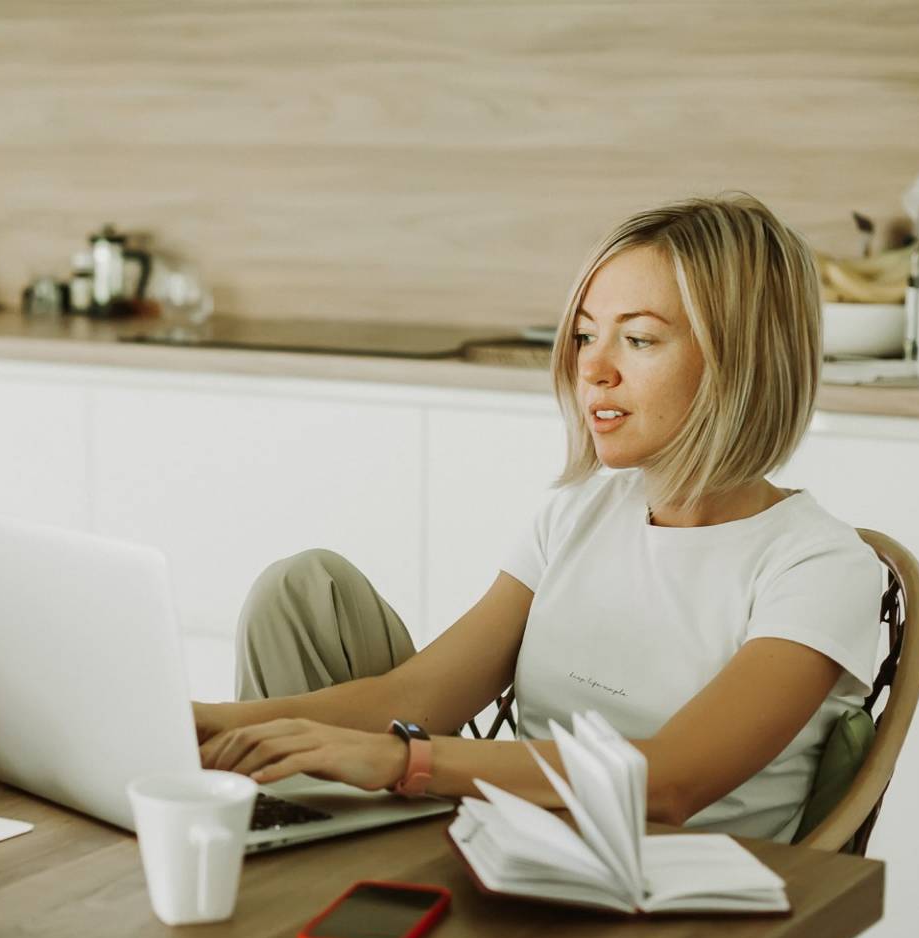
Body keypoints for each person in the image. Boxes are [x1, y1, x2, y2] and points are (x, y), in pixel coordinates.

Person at [196, 194, 882, 841]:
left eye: (639, 340)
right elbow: (415, 695)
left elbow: (672, 781)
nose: (593, 369)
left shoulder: (819, 565)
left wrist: (404, 762)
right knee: (302, 589)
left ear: (744, 360)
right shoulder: (575, 517)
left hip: (668, 904)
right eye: (585, 336)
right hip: (514, 852)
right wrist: (197, 724)